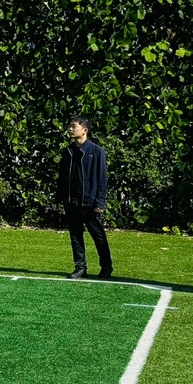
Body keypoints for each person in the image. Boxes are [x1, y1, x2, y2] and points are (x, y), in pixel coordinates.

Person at [57, 116, 112, 279]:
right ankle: (80, 267)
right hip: (71, 201)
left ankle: (106, 266)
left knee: (98, 236)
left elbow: (102, 178)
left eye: (74, 126)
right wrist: (58, 198)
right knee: (75, 236)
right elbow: (62, 178)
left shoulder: (96, 151)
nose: (70, 129)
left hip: (89, 202)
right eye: (70, 126)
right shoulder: (67, 152)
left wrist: (100, 202)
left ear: (84, 130)